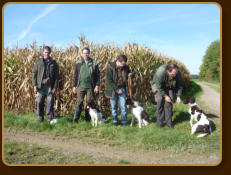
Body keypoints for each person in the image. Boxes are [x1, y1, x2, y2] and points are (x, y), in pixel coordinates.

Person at [72, 47, 100, 122]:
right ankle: (75, 119)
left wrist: (97, 85)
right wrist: (74, 86)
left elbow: (98, 75)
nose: (86, 55)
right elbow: (75, 75)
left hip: (90, 87)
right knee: (79, 103)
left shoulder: (94, 63)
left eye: (87, 53)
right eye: (84, 53)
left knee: (89, 104)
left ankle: (87, 120)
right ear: (82, 54)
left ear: (89, 53)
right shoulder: (78, 63)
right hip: (80, 86)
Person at [151, 63, 183, 128]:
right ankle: (160, 122)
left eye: (176, 73)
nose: (175, 75)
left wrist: (178, 96)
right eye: (173, 74)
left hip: (169, 86)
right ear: (168, 71)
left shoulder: (177, 73)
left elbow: (180, 85)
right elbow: (159, 87)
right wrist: (165, 96)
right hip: (158, 86)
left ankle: (169, 122)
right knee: (160, 100)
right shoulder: (160, 72)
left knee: (169, 102)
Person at [32, 46, 59, 122]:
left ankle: (48, 119)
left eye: (48, 52)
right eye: (45, 52)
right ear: (43, 52)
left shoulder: (54, 63)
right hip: (41, 86)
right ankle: (40, 118)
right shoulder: (38, 61)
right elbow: (34, 73)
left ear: (50, 53)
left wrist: (55, 87)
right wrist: (35, 85)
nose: (46, 53)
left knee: (50, 102)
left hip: (50, 86)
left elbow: (57, 76)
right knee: (39, 101)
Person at [105, 54, 132, 126]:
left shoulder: (125, 67)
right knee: (114, 107)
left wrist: (129, 74)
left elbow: (129, 71)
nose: (123, 65)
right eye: (122, 64)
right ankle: (115, 121)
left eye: (124, 64)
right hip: (113, 90)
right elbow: (109, 81)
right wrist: (117, 89)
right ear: (118, 61)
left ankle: (124, 122)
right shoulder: (110, 67)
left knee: (123, 107)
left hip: (122, 88)